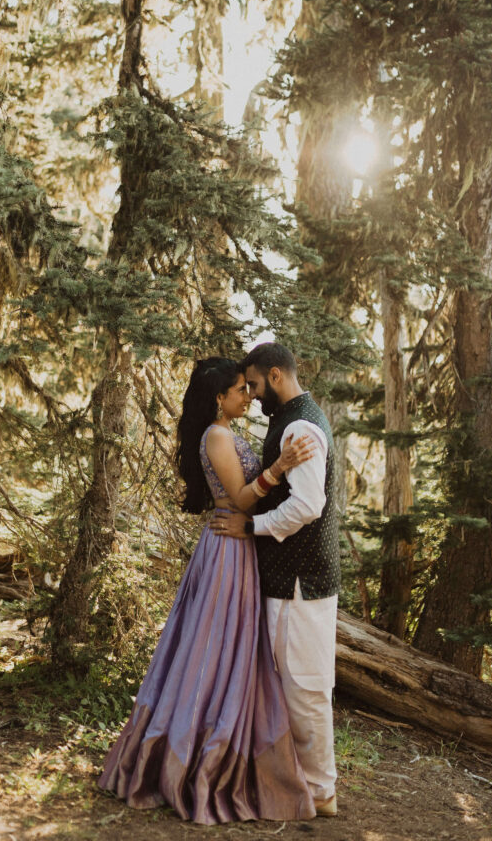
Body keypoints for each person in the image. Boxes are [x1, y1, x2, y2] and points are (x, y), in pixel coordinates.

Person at [98, 356, 318, 824]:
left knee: (222, 644)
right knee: (213, 645)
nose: (248, 396)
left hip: (234, 547)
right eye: (240, 389)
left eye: (247, 387)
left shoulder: (224, 433)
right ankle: (193, 753)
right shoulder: (216, 436)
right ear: (219, 398)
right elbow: (239, 499)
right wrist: (278, 467)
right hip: (227, 550)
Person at [211, 342, 340, 818]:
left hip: (302, 579)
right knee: (290, 684)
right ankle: (297, 783)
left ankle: (321, 792)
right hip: (288, 577)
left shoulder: (301, 425)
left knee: (306, 686)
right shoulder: (289, 419)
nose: (252, 393)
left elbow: (308, 507)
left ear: (277, 376)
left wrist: (252, 526)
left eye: (256, 384)